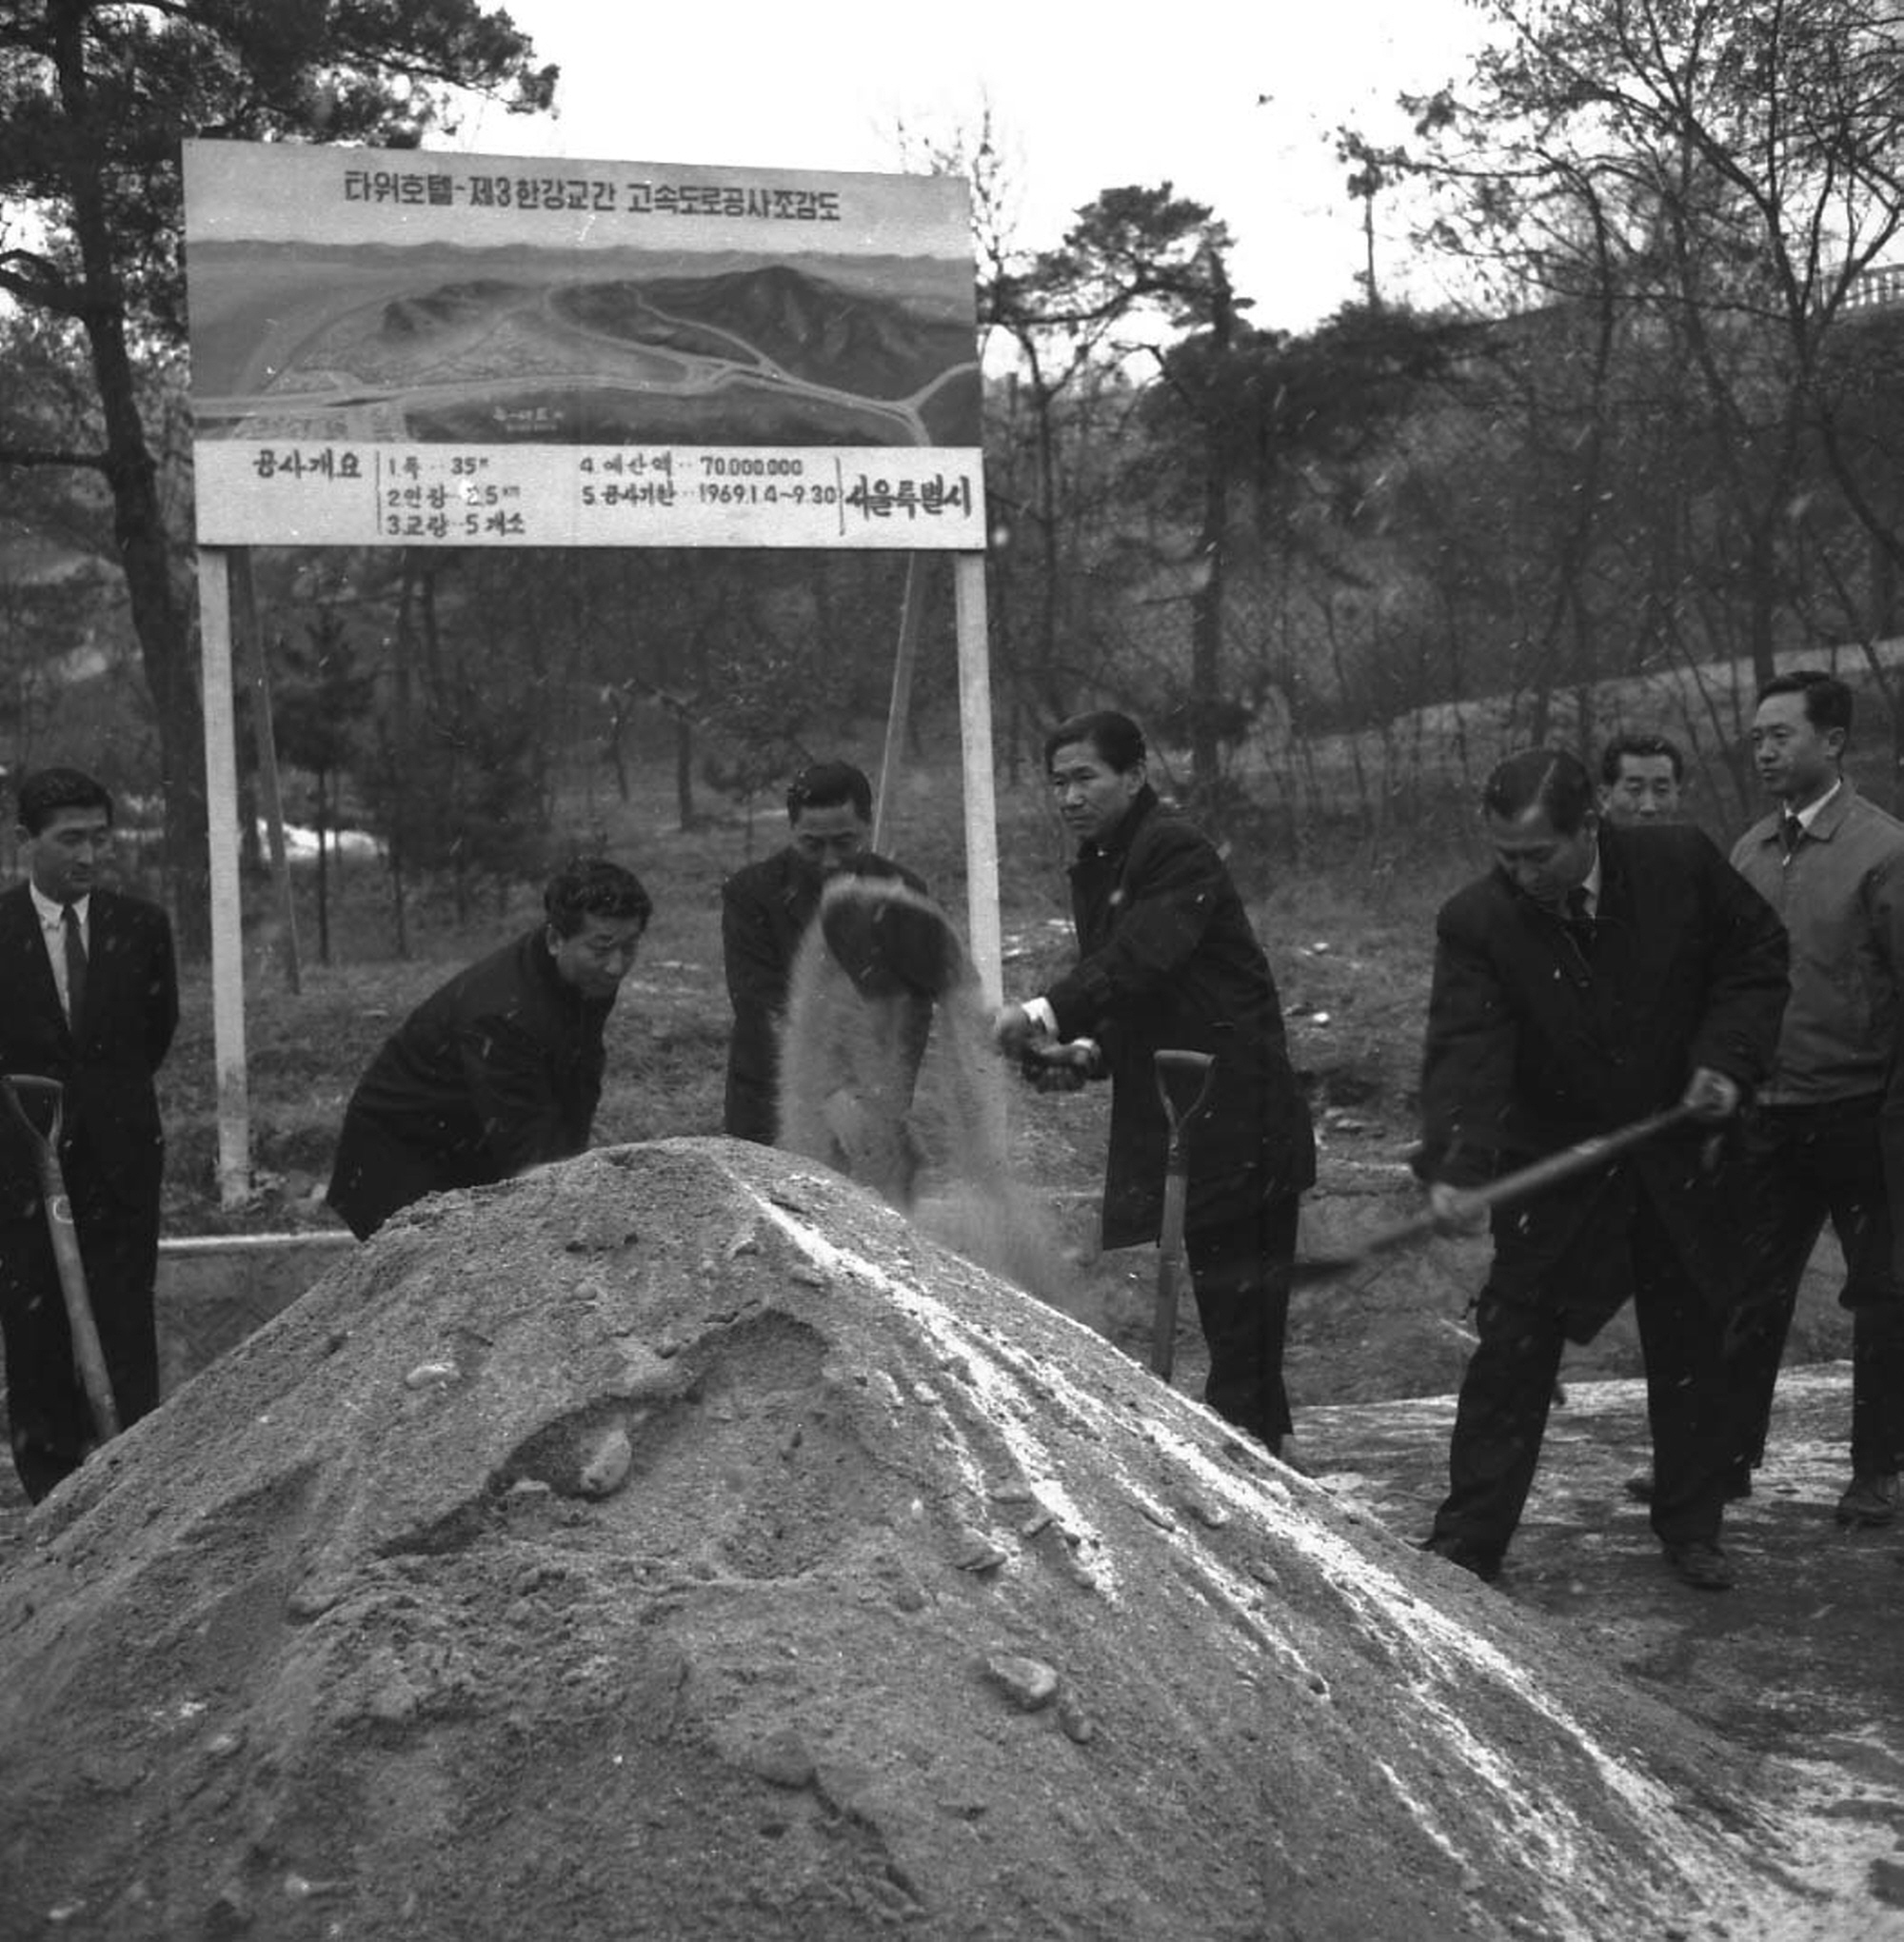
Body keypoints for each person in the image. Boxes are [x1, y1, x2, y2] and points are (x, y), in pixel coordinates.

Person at [1417, 748, 1787, 1592]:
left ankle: (1693, 1525)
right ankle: (1469, 1540)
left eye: (1536, 855)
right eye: (1503, 856)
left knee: (1694, 1344)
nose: (1518, 874)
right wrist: (1458, 1161)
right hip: (1558, 1167)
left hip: (1683, 1152)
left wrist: (1726, 1059)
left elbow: (1756, 959)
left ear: (1591, 827)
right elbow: (1467, 1050)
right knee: (1512, 1349)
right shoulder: (1478, 920)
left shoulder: (1679, 864)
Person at [994, 710, 1317, 1460]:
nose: (1069, 797)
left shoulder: (1171, 849)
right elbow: (1137, 993)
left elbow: (1144, 957)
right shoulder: (1103, 860)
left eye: (1085, 778)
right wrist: (1086, 1051)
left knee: (1244, 1300)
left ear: (1135, 774)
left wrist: (1043, 1012)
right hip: (1185, 1098)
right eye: (1058, 783)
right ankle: (1268, 1443)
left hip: (1235, 1098)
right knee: (1233, 1300)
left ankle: (1251, 1448)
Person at [1725, 671, 1904, 1529]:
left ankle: (1876, 1472)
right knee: (1748, 1289)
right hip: (1767, 1112)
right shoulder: (1750, 850)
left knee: (1882, 1297)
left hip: (1862, 1113)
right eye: (1757, 735)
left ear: (1832, 742)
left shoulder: (1885, 852)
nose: (1764, 749)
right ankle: (1721, 1461)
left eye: (1781, 734)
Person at [0, 767, 178, 1502]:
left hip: (120, 1158)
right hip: (19, 1161)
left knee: (123, 1317)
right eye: (69, 839)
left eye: (98, 839)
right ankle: (51, 1486)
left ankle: (132, 1478)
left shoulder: (140, 927)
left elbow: (154, 1034)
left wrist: (105, 1110)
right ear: (25, 843)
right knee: (35, 1323)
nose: (88, 856)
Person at [327, 858, 650, 1240]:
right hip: (397, 1159)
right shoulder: (502, 1012)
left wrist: (577, 1174)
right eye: (602, 948)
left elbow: (577, 1078)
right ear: (555, 939)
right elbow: (528, 1148)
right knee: (453, 1279)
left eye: (629, 948)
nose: (616, 966)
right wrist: (577, 1210)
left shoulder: (583, 976)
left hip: (471, 1137)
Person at [721, 761, 924, 1145]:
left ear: (867, 827)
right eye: (812, 845)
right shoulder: (751, 895)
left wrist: (889, 1099)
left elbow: (912, 1011)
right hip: (773, 1097)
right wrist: (829, 1092)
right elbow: (760, 1004)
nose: (829, 861)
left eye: (844, 843)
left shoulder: (902, 891)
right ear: (792, 830)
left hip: (873, 1098)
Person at [1598, 732, 1686, 823]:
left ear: (1678, 796)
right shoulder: (1587, 836)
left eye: (1662, 790)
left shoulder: (1693, 836)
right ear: (1605, 797)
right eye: (1635, 789)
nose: (1649, 807)